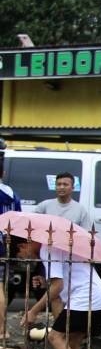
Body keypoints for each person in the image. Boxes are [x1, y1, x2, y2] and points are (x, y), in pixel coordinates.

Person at [17, 233, 101, 349]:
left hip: (85, 298)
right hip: (96, 296)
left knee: (55, 336)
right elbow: (65, 279)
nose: (24, 258)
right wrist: (46, 282)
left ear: (24, 245)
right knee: (72, 342)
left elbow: (58, 286)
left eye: (20, 254)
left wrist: (33, 311)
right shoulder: (52, 247)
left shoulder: (47, 250)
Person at [0, 139, 22, 338]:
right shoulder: (11, 193)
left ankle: (1, 329)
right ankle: (1, 329)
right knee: (1, 287)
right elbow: (18, 220)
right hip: (5, 244)